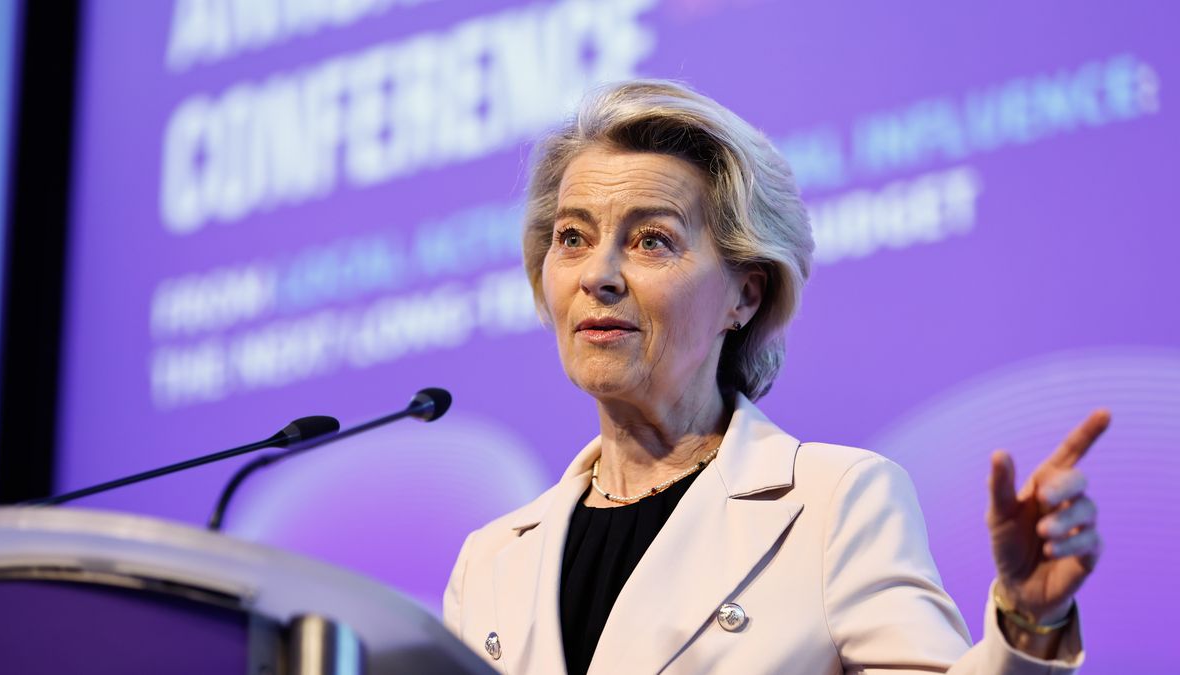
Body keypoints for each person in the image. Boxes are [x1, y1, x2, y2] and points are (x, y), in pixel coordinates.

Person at [443, 80, 1105, 674]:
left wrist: (1027, 623)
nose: (598, 275)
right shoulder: (490, 561)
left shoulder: (833, 504)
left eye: (652, 240)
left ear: (746, 294)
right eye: (572, 237)